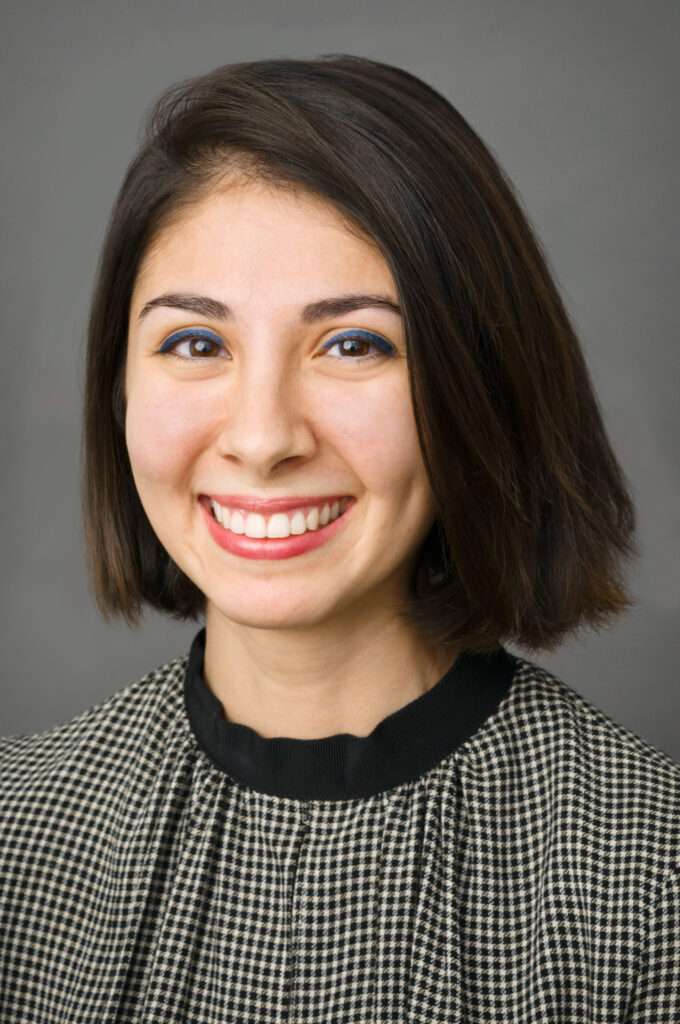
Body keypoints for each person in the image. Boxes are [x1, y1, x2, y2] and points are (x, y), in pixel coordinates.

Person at [1, 54, 678, 1022]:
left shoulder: (652, 882)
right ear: (119, 390)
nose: (262, 437)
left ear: (475, 389)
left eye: (352, 343)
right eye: (196, 343)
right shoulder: (15, 840)